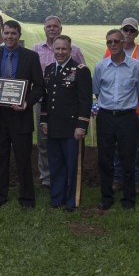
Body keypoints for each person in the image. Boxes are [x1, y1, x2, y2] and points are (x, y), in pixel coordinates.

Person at [0, 20, 44, 209]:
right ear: (2, 35)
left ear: (19, 35)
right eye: (7, 33)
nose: (10, 36)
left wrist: (27, 103)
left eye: (13, 33)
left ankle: (27, 198)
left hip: (20, 115)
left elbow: (40, 86)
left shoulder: (30, 57)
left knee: (23, 159)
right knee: (0, 158)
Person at [93, 29, 139, 210]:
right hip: (106, 117)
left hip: (128, 118)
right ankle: (106, 197)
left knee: (128, 158)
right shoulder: (100, 67)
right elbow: (97, 91)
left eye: (117, 41)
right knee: (105, 159)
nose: (113, 45)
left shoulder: (136, 66)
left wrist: (126, 106)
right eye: (109, 42)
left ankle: (128, 199)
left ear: (124, 42)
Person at [33, 15, 85, 193]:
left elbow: (82, 78)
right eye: (49, 26)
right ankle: (47, 180)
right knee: (44, 143)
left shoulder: (75, 50)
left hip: (68, 108)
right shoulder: (36, 49)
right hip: (43, 104)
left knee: (67, 144)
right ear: (44, 29)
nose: (52, 29)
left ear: (61, 29)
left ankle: (68, 181)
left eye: (55, 26)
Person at [40, 35, 91, 211]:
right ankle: (57, 198)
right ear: (53, 50)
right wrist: (44, 121)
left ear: (70, 50)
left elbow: (85, 101)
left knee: (72, 167)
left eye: (64, 49)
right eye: (57, 49)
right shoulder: (49, 70)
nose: (60, 52)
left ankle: (72, 200)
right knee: (56, 165)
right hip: (53, 127)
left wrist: (81, 125)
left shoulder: (80, 70)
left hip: (71, 128)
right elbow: (46, 99)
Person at [106, 18, 139, 195]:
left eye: (132, 31)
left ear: (136, 34)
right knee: (117, 145)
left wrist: (133, 102)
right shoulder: (109, 50)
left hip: (138, 110)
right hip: (115, 110)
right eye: (125, 29)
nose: (128, 33)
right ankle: (118, 178)